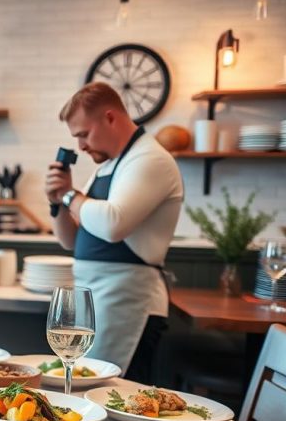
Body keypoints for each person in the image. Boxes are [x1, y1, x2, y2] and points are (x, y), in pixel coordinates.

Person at [44, 82, 184, 383]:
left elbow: (113, 224)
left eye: (83, 134)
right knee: (92, 392)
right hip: (97, 298)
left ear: (110, 118)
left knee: (118, 396)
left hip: (129, 302)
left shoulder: (150, 159)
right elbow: (70, 239)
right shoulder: (109, 165)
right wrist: (57, 202)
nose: (80, 146)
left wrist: (70, 195)